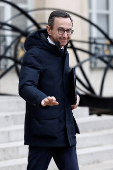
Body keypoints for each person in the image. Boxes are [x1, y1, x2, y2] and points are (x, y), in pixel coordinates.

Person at [19, 10, 80, 170]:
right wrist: (42, 99)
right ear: (49, 29)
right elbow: (25, 86)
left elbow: (59, 82)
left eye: (69, 30)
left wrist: (74, 96)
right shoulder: (34, 54)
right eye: (61, 30)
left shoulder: (63, 52)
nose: (65, 35)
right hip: (43, 131)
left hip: (65, 130)